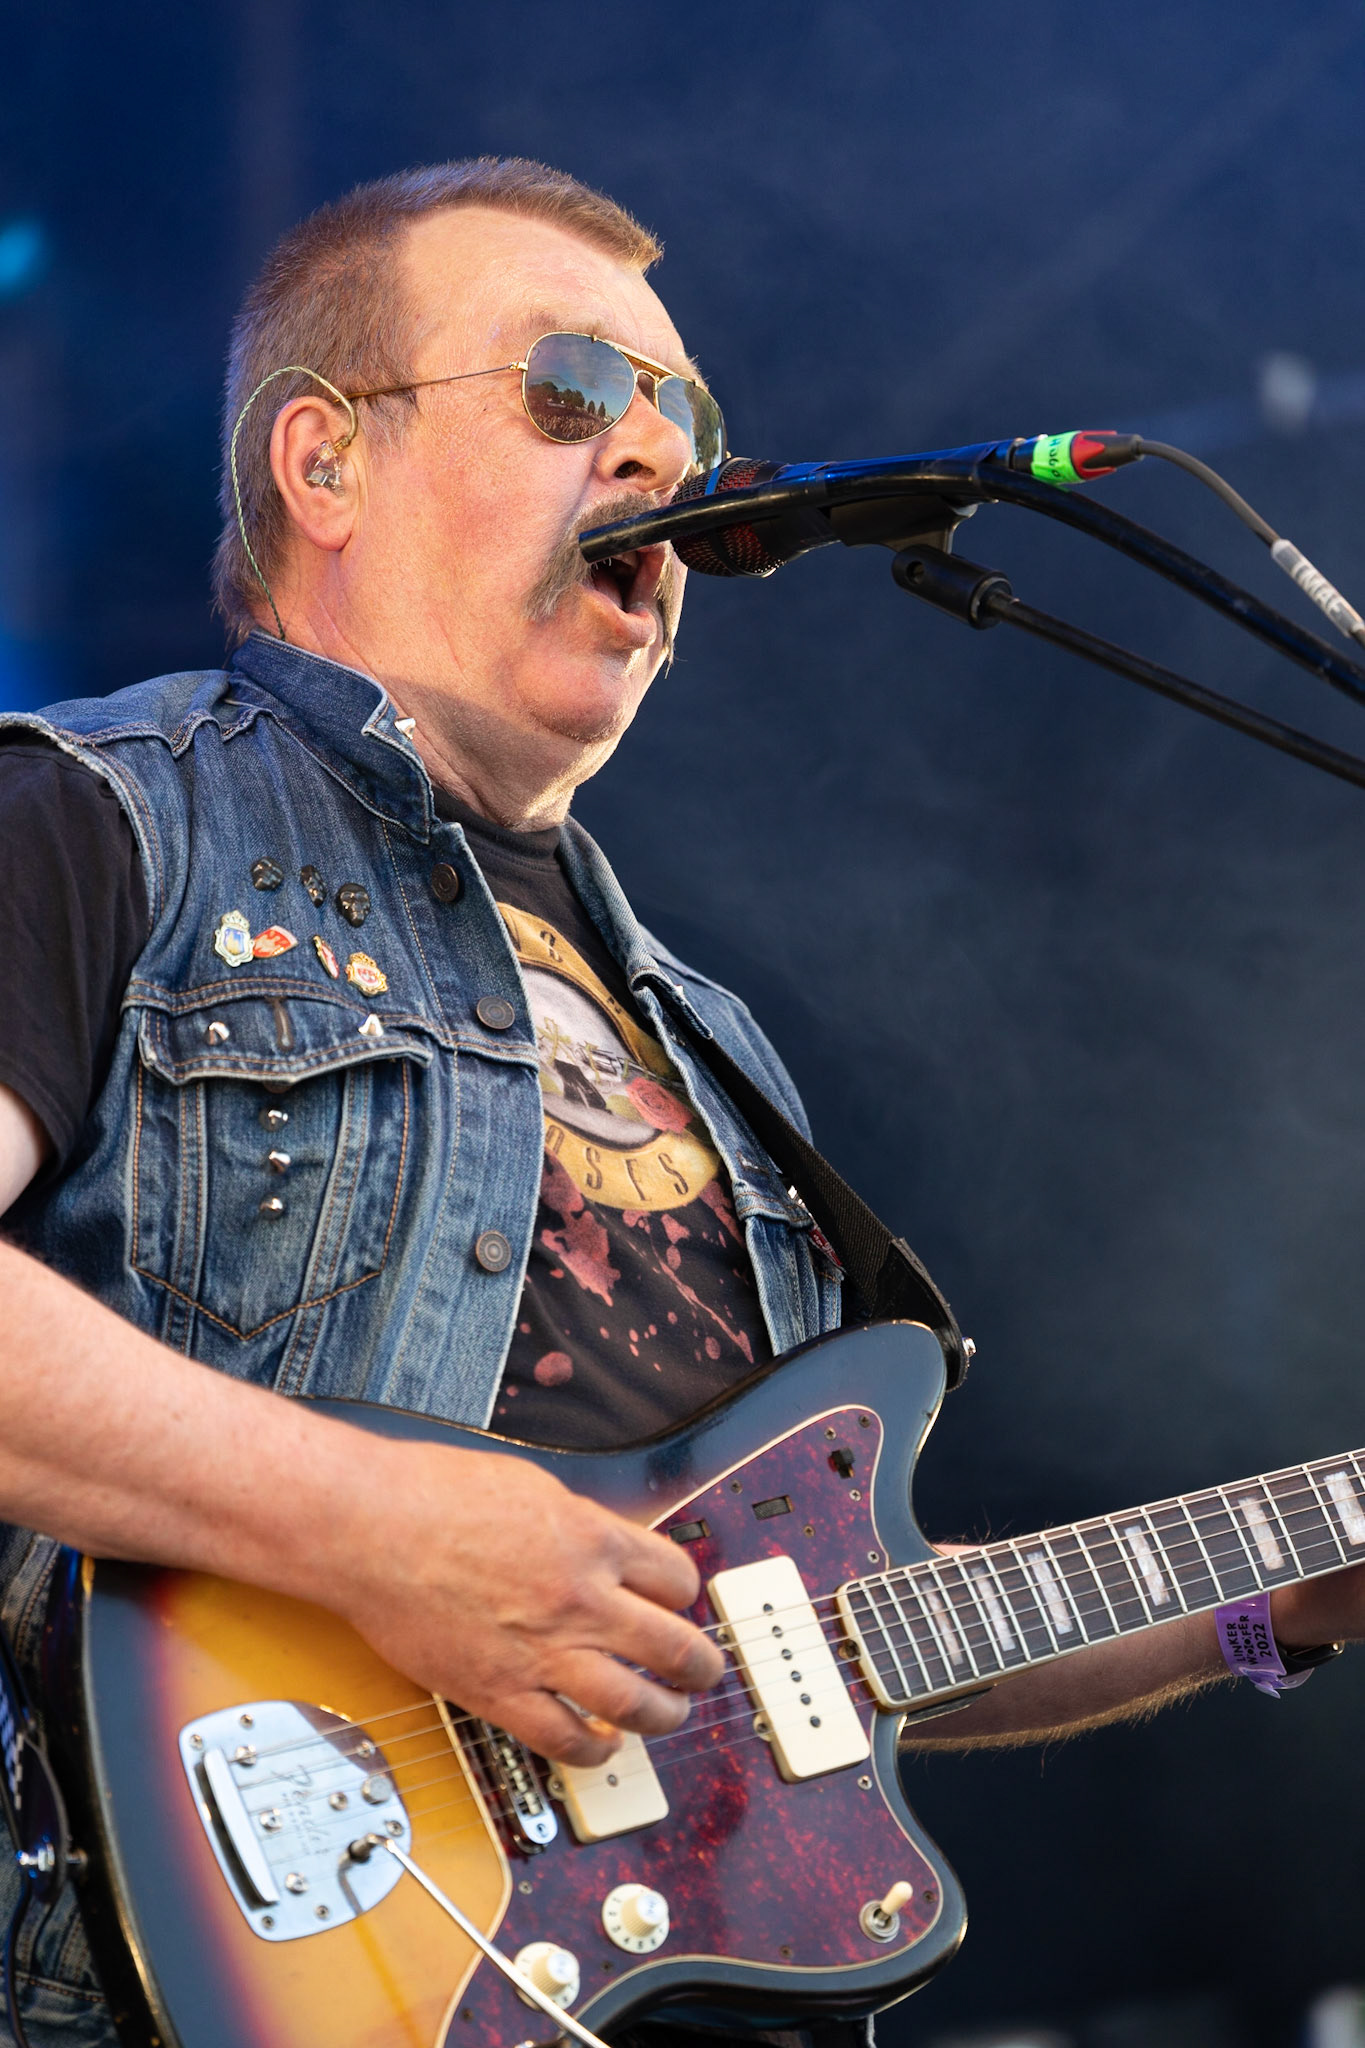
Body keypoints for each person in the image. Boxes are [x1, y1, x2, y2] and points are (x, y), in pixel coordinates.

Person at [0, 159, 1360, 2048]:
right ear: (324, 464)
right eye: (568, 387)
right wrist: (373, 1529)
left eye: (685, 421)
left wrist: (1278, 1590)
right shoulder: (101, 822)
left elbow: (811, 1633)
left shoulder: (707, 1044)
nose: (654, 455)